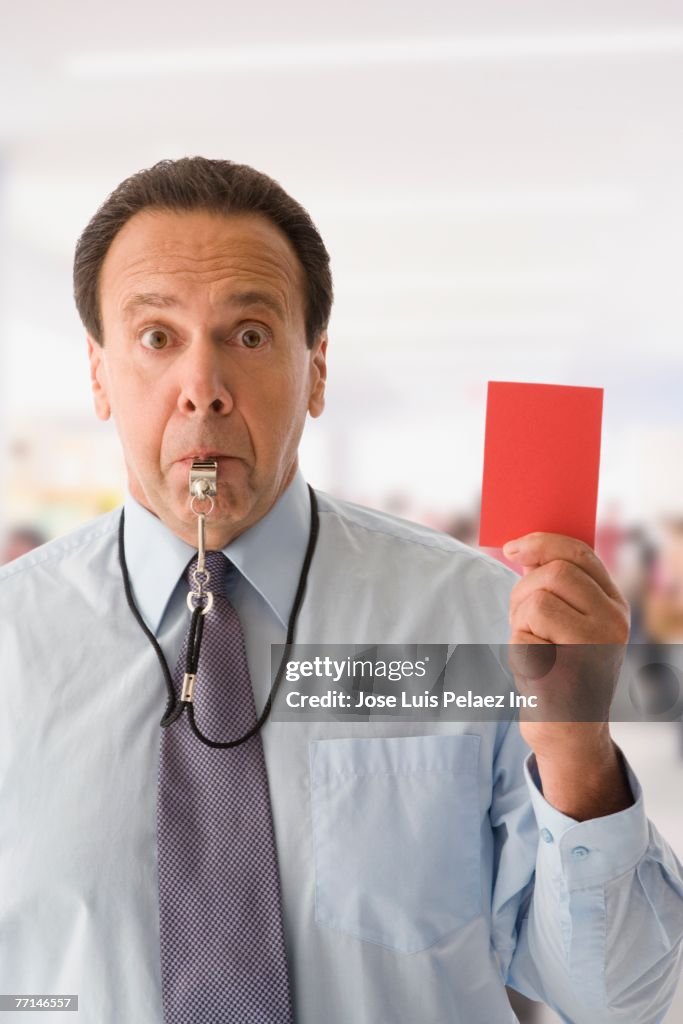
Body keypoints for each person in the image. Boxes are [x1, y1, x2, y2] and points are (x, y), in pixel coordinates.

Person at [1, 157, 682, 1024]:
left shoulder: (479, 621)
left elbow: (615, 1000)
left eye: (249, 335)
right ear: (98, 374)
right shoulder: (12, 645)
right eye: (156, 338)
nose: (202, 388)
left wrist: (576, 752)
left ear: (316, 368)